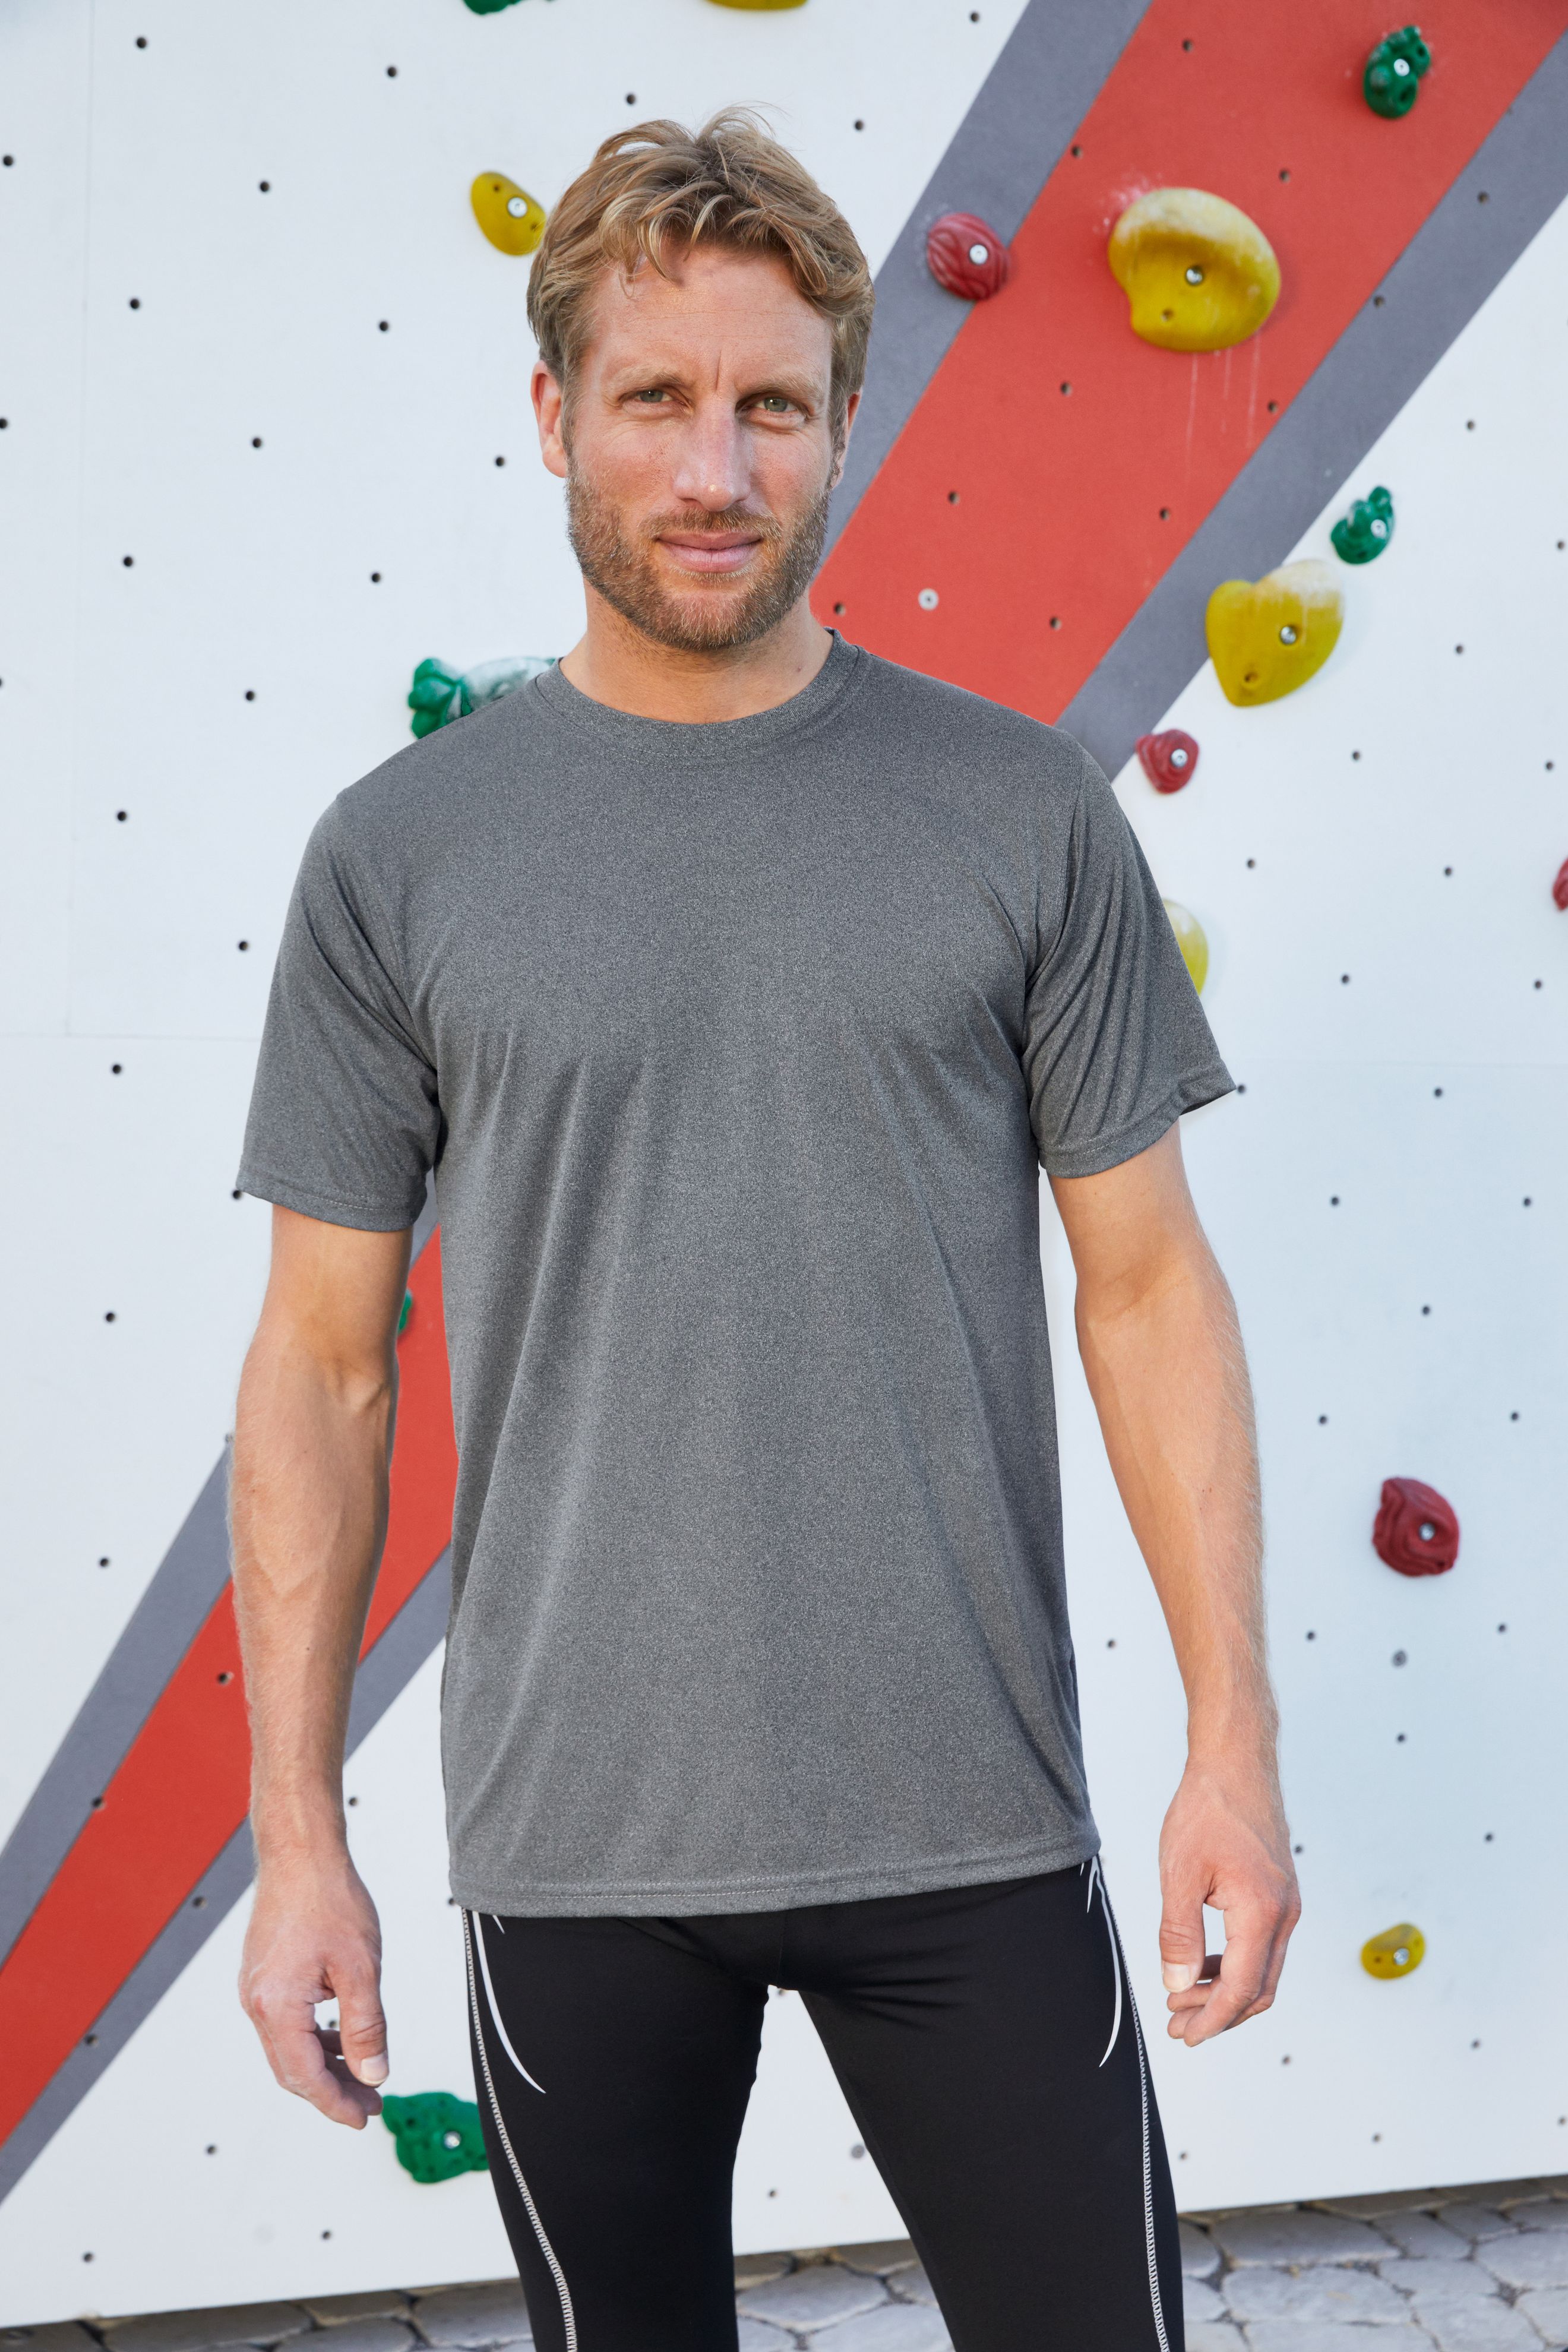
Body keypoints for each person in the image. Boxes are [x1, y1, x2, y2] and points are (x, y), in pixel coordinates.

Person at [232, 111, 1299, 2352]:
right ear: (554, 417)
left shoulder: (1020, 815)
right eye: (656, 399)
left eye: (771, 407)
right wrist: (297, 1837)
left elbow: (1147, 1291)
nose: (714, 471)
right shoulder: (398, 859)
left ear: (842, 423)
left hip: (971, 1812)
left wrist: (1234, 1747)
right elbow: (322, 1366)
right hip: (576, 1850)